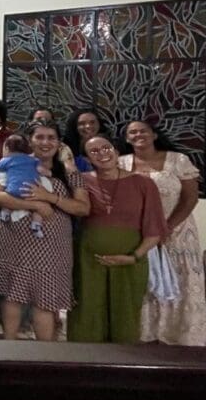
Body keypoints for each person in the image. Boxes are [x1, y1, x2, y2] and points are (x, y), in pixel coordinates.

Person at [0, 120, 89, 341]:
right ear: (29, 141)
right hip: (13, 239)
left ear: (59, 142)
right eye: (39, 137)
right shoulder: (13, 162)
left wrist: (49, 197)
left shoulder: (68, 171)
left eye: (51, 137)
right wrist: (36, 206)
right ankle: (8, 348)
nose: (45, 142)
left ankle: (44, 354)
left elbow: (82, 208)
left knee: (45, 300)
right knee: (12, 295)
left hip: (51, 246)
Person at [69, 136, 166, 343]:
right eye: (94, 151)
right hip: (88, 261)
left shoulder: (144, 183)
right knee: (86, 313)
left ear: (116, 151)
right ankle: (83, 359)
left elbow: (154, 229)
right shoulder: (81, 181)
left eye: (106, 147)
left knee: (125, 316)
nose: (102, 153)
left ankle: (123, 361)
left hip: (130, 261)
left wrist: (134, 257)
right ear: (87, 158)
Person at [119, 120, 206, 346]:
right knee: (145, 281)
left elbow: (190, 198)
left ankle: (179, 335)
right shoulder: (121, 162)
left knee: (180, 279)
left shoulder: (178, 160)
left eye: (143, 131)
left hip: (177, 230)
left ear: (154, 135)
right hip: (138, 232)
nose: (138, 135)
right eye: (132, 132)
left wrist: (167, 227)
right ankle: (146, 333)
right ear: (127, 138)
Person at [0, 134, 51, 235]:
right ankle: (36, 224)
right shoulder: (33, 160)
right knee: (38, 208)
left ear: (7, 148)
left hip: (13, 190)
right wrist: (49, 173)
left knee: (9, 201)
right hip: (31, 191)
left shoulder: (6, 161)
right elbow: (41, 170)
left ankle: (5, 213)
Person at [64, 108, 106, 173]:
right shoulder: (66, 149)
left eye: (92, 122)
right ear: (74, 126)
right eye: (82, 123)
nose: (88, 126)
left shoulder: (109, 144)